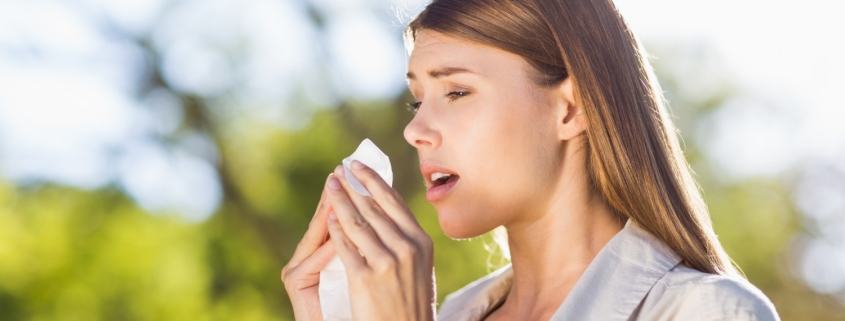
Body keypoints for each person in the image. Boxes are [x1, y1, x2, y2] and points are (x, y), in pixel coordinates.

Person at [281, 0, 781, 320]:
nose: (414, 131)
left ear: (571, 108)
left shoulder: (708, 313)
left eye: (456, 91)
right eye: (417, 100)